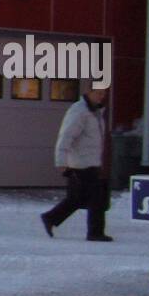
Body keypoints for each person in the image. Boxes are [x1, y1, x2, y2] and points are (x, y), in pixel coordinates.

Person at [42, 81, 112, 241]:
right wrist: (60, 161)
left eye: (104, 94)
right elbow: (66, 136)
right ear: (89, 92)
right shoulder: (79, 111)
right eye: (99, 93)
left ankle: (51, 218)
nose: (102, 97)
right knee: (97, 198)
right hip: (81, 163)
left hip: (90, 161)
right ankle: (95, 233)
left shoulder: (95, 112)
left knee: (77, 198)